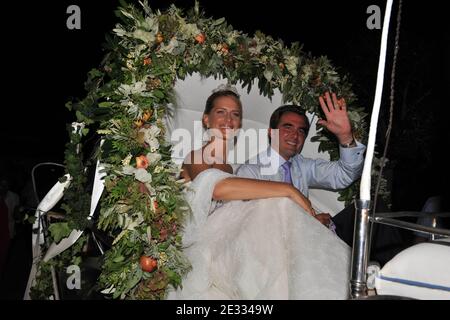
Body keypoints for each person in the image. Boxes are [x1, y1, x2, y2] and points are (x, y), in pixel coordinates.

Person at [167, 87, 351, 299]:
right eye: (221, 112)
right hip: (198, 250)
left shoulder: (230, 169)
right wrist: (289, 191)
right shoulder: (196, 157)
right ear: (206, 119)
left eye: (235, 114)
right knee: (276, 204)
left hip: (225, 250)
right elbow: (216, 189)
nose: (229, 119)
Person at [236, 92, 366, 229]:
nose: (295, 135)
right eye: (288, 127)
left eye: (301, 131)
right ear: (271, 132)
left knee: (367, 215)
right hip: (270, 246)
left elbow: (344, 174)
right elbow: (248, 225)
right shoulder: (250, 172)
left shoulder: (302, 165)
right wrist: (311, 222)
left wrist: (345, 136)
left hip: (307, 241)